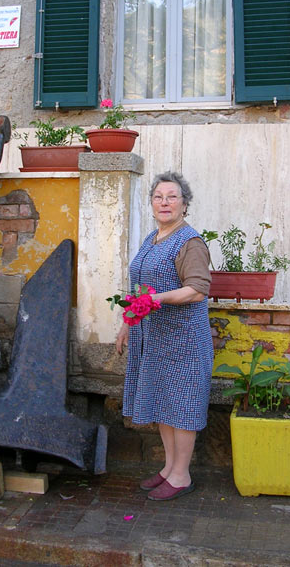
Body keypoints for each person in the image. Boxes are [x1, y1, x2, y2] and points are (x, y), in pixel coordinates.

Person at [116, 171, 213, 501]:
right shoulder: (151, 239)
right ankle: (169, 467)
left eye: (172, 197)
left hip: (184, 340)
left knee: (182, 406)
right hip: (155, 339)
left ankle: (182, 475)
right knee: (162, 402)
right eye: (159, 197)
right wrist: (129, 321)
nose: (165, 202)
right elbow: (139, 289)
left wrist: (157, 299)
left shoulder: (190, 242)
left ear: (185, 203)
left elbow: (197, 290)